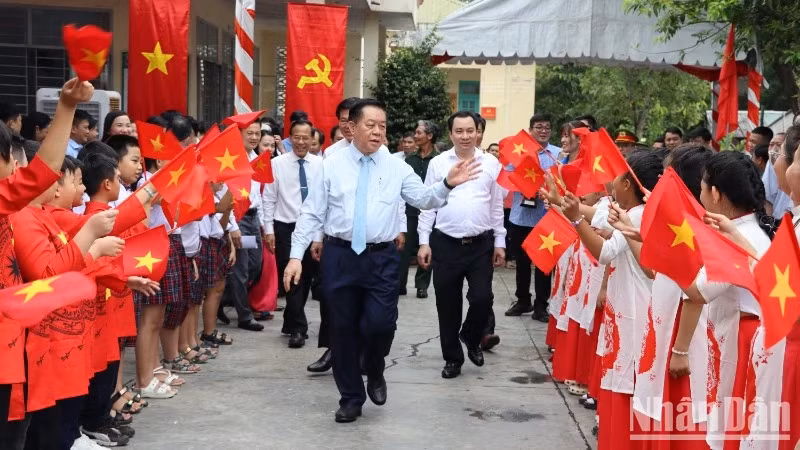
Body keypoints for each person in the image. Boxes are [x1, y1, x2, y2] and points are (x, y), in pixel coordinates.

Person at [283, 98, 480, 423]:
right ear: (352, 127)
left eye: (382, 126)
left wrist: (446, 184)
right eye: (370, 125)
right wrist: (295, 257)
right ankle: (350, 397)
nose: (377, 132)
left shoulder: (396, 167)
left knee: (381, 324)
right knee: (343, 331)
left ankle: (374, 367)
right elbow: (311, 212)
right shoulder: (329, 166)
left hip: (382, 259)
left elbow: (422, 198)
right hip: (340, 256)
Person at [417, 111, 505, 379]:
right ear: (450, 133)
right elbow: (428, 203)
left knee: (482, 298)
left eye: (470, 131)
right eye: (459, 131)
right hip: (445, 244)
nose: (465, 136)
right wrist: (424, 242)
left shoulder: (491, 163)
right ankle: (452, 358)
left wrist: (500, 241)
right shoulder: (438, 163)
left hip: (481, 244)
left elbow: (496, 205)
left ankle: (470, 335)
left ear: (477, 132)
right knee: (447, 304)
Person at [263, 119, 323, 349]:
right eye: (296, 137)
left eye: (305, 137)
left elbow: (322, 204)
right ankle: (299, 328)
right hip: (285, 227)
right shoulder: (277, 163)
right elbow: (269, 198)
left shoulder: (320, 165)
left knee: (306, 277)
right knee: (292, 278)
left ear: (312, 140)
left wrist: (319, 236)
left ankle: (290, 320)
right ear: (289, 138)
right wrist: (269, 229)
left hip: (311, 228)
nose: (300, 142)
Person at [504, 113, 561, 322]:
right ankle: (523, 300)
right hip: (520, 216)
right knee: (521, 262)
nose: (543, 130)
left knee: (544, 264)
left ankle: (541, 306)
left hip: (546, 217)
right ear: (531, 130)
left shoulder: (558, 154)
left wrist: (544, 187)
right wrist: (527, 184)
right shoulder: (520, 152)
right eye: (539, 127)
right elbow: (508, 176)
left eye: (547, 127)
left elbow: (563, 180)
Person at [222, 118, 266, 331]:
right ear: (238, 134)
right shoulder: (230, 161)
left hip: (253, 219)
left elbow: (259, 195)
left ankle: (223, 298)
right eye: (249, 133)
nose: (254, 137)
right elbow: (226, 197)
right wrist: (232, 227)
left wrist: (264, 224)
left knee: (255, 265)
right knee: (241, 268)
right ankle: (244, 316)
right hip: (238, 217)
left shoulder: (256, 159)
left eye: (257, 133)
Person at [399, 120, 440, 298]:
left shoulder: (439, 161)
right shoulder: (409, 160)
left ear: (429, 136)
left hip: (431, 212)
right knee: (403, 250)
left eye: (418, 133)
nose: (415, 136)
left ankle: (422, 285)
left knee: (426, 246)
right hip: (410, 211)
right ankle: (399, 284)